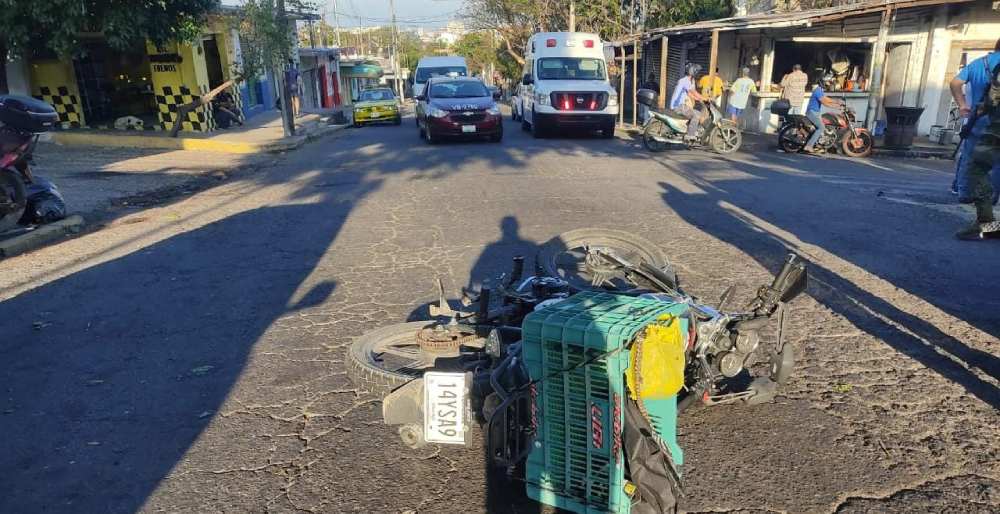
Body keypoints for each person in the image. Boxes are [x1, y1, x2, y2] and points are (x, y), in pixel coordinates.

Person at [950, 39, 1000, 240]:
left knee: (977, 169)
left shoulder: (982, 63)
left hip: (987, 128)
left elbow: (955, 82)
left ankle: (986, 220)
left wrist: (963, 105)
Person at [802, 75, 845, 153]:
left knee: (823, 125)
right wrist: (837, 107)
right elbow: (825, 103)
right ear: (822, 82)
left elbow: (826, 98)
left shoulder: (820, 90)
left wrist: (837, 101)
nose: (828, 84)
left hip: (815, 113)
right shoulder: (818, 90)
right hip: (812, 113)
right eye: (827, 83)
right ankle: (809, 146)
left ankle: (817, 143)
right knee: (821, 127)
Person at [669, 63, 708, 142]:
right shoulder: (685, 81)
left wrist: (699, 100)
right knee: (696, 115)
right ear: (693, 72)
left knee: (696, 112)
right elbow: (693, 92)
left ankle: (691, 130)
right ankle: (690, 135)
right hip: (679, 106)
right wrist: (705, 98)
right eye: (696, 71)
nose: (697, 73)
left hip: (679, 105)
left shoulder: (688, 81)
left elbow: (690, 94)